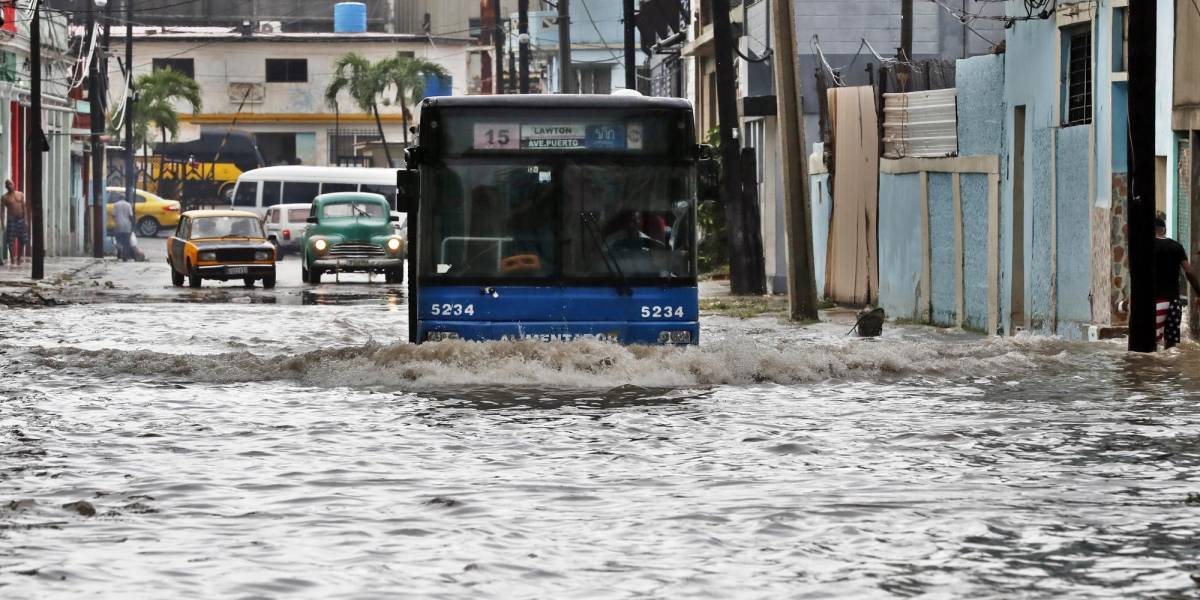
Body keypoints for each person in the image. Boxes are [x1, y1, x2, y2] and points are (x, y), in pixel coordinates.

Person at [1154, 215, 1200, 349]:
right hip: (1174, 302)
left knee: (1150, 346)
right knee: (1170, 346)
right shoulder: (1177, 246)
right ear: (1165, 230)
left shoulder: (1146, 245)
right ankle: (1170, 370)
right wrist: (1199, 293)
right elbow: (1189, 272)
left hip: (1155, 300)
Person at [1, 179, 29, 266]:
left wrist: (26, 219)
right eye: (8, 185)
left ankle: (19, 258)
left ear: (14, 184)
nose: (10, 186)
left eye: (11, 184)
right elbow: (1, 211)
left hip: (20, 219)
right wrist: (2, 223)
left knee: (23, 240)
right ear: (6, 187)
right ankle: (13, 259)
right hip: (11, 220)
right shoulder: (4, 197)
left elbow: (24, 207)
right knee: (10, 240)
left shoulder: (20, 194)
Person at [112, 191, 135, 261]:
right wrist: (133, 225)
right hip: (127, 226)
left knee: (118, 240)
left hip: (118, 225)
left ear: (119, 198)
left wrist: (116, 221)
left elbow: (113, 215)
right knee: (126, 242)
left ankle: (119, 253)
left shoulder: (115, 205)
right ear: (124, 198)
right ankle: (125, 257)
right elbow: (130, 216)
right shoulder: (128, 205)